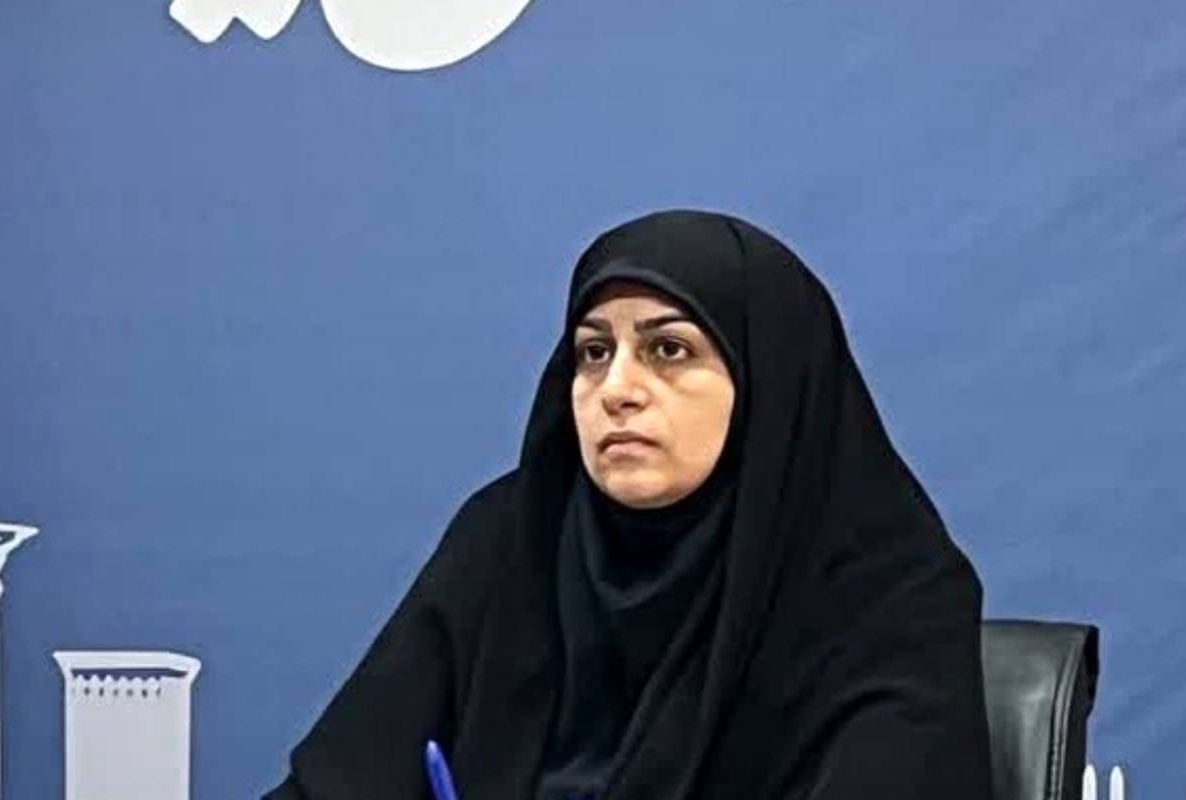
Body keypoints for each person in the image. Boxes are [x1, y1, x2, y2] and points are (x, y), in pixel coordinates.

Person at [264, 210, 994, 800]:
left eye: (669, 350)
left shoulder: (889, 591)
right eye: (592, 352)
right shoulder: (512, 535)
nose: (616, 389)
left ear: (768, 382)